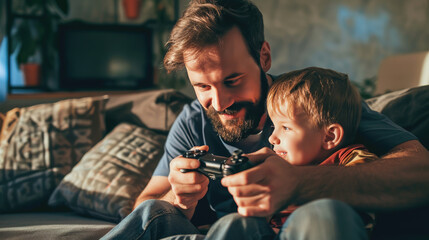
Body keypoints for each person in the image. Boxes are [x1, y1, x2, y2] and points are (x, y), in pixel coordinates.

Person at [101, 0, 429, 239]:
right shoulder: (192, 121)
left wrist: (300, 183)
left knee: (324, 214)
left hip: (302, 223)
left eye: (232, 81)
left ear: (264, 57)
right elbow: (145, 203)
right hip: (232, 231)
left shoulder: (310, 99)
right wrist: (180, 197)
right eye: (202, 86)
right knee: (153, 211)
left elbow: (420, 171)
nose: (219, 102)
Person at [265, 67, 378, 234]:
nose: (272, 138)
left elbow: (365, 183)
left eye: (286, 128)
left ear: (329, 137)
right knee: (236, 223)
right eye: (274, 127)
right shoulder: (283, 167)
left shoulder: (350, 159)